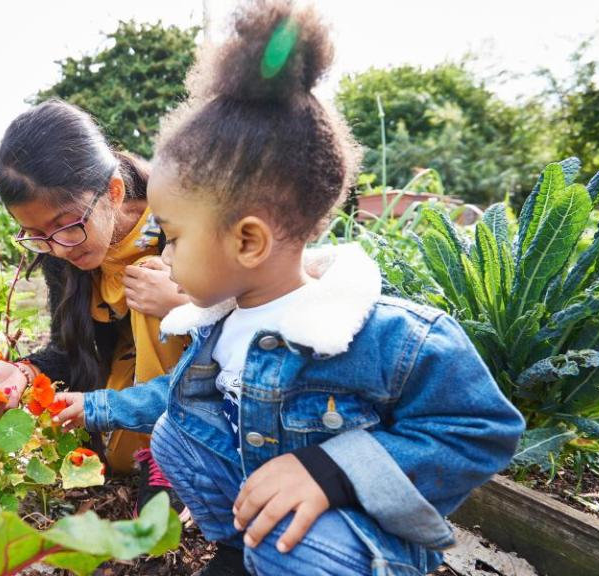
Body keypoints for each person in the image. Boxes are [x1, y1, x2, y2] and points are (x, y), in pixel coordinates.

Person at [51, 1, 526, 574]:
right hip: (275, 513)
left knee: (293, 544)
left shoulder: (388, 338)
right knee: (178, 430)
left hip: (348, 539)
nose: (164, 253)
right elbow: (171, 395)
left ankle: (279, 553)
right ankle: (242, 547)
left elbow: (485, 430)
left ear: (248, 242)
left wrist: (332, 471)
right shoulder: (221, 323)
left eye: (173, 237)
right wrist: (92, 407)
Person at [0, 99, 190, 509]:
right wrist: (22, 371)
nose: (56, 247)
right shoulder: (64, 251)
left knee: (148, 277)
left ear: (114, 191)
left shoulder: (182, 217)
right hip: (134, 383)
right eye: (35, 234)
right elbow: (69, 349)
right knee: (117, 452)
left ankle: (174, 453)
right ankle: (149, 448)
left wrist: (186, 303)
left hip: (204, 383)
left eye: (65, 225)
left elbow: (253, 310)